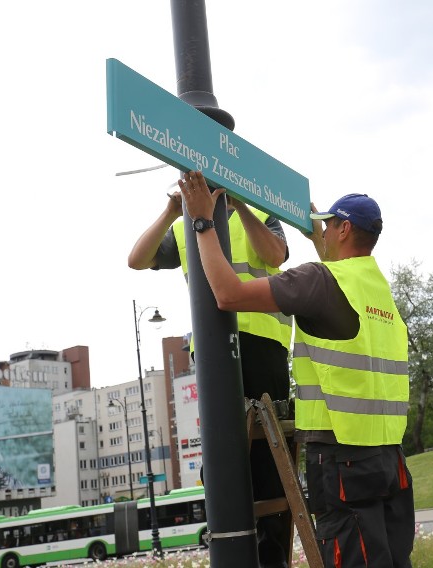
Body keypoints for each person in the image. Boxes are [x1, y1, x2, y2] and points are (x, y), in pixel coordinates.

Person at [180, 171, 414, 568]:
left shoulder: (319, 280)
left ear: (342, 229)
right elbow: (338, 285)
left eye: (329, 224)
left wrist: (203, 222)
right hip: (389, 457)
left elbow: (227, 293)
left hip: (342, 456)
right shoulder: (376, 288)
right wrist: (314, 238)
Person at [128, 185, 293, 568]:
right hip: (214, 350)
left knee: (268, 466)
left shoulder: (257, 210)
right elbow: (136, 259)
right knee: (222, 461)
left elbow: (276, 254)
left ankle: (272, 560)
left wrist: (241, 207)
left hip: (262, 346)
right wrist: (171, 212)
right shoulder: (186, 226)